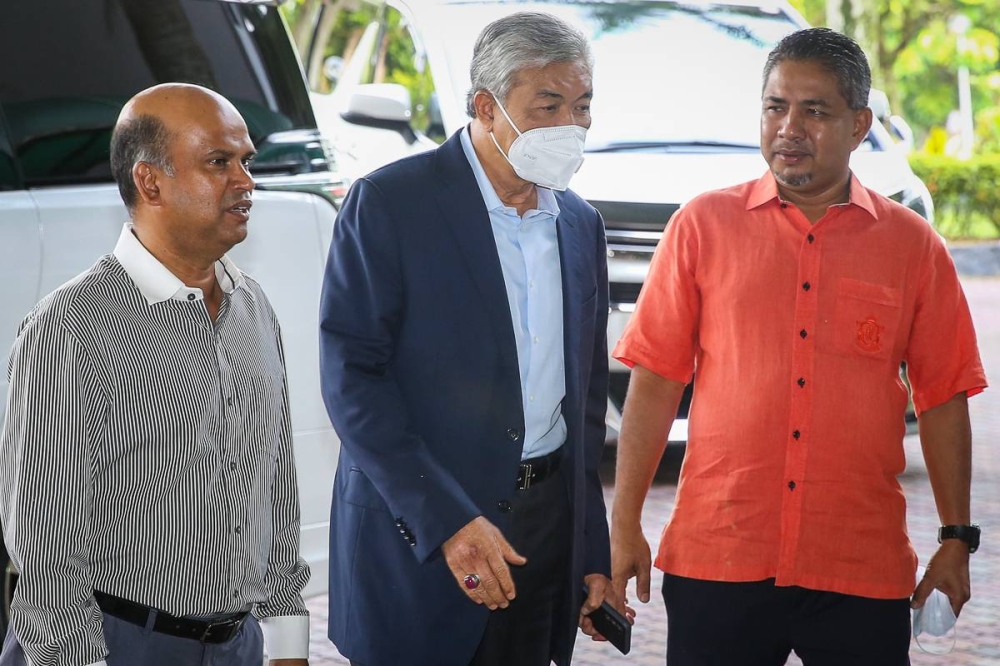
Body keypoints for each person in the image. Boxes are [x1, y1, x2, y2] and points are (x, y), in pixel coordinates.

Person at [610, 27, 987, 665]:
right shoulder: (701, 226)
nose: (789, 127)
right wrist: (624, 526)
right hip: (719, 555)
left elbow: (945, 393)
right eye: (776, 107)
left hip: (858, 564)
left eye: (815, 111)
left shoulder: (913, 247)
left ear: (859, 124)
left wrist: (956, 538)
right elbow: (655, 378)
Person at [319, 11, 624, 666]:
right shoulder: (392, 204)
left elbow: (587, 400)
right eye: (550, 104)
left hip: (544, 534)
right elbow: (352, 380)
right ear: (487, 107)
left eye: (583, 105)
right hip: (421, 535)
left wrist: (589, 550)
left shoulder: (579, 225)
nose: (572, 125)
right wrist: (446, 520)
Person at [0, 83, 310, 666]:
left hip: (237, 646)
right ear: (150, 182)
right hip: (114, 645)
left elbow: (274, 487)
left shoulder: (253, 306)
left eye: (246, 161)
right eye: (219, 162)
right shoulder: (68, 329)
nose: (246, 182)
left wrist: (287, 639)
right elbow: (44, 543)